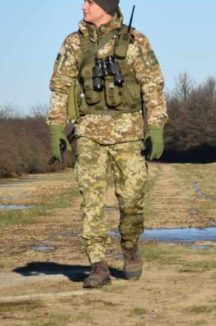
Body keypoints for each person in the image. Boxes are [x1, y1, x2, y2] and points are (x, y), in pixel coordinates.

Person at [47, 0, 167, 288]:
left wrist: (156, 127)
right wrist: (55, 127)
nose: (83, 6)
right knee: (91, 201)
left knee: (132, 199)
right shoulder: (74, 43)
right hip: (88, 132)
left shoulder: (136, 40)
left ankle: (130, 245)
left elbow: (153, 85)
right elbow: (60, 86)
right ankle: (98, 265)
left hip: (129, 132)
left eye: (90, 1)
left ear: (105, 5)